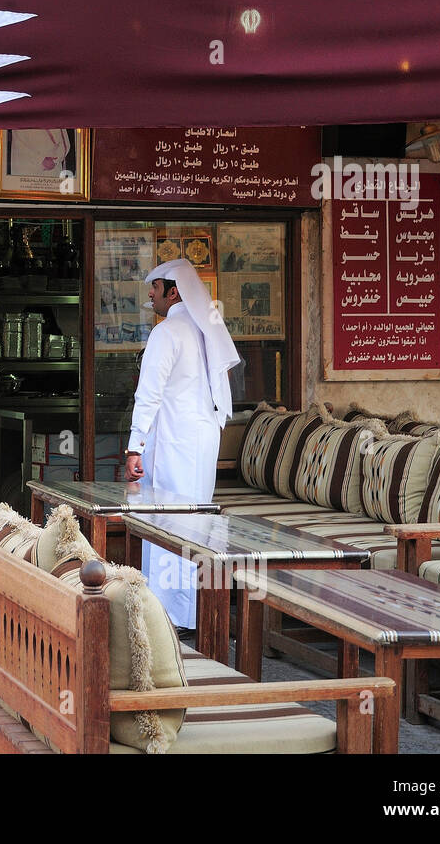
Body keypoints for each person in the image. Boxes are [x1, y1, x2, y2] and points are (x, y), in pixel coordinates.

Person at [124, 259, 241, 630]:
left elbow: (149, 396)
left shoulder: (167, 332)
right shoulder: (203, 332)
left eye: (154, 289)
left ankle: (166, 618)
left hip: (175, 444)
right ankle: (191, 615)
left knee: (167, 527)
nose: (150, 296)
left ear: (173, 290)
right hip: (201, 444)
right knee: (195, 528)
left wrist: (134, 447)